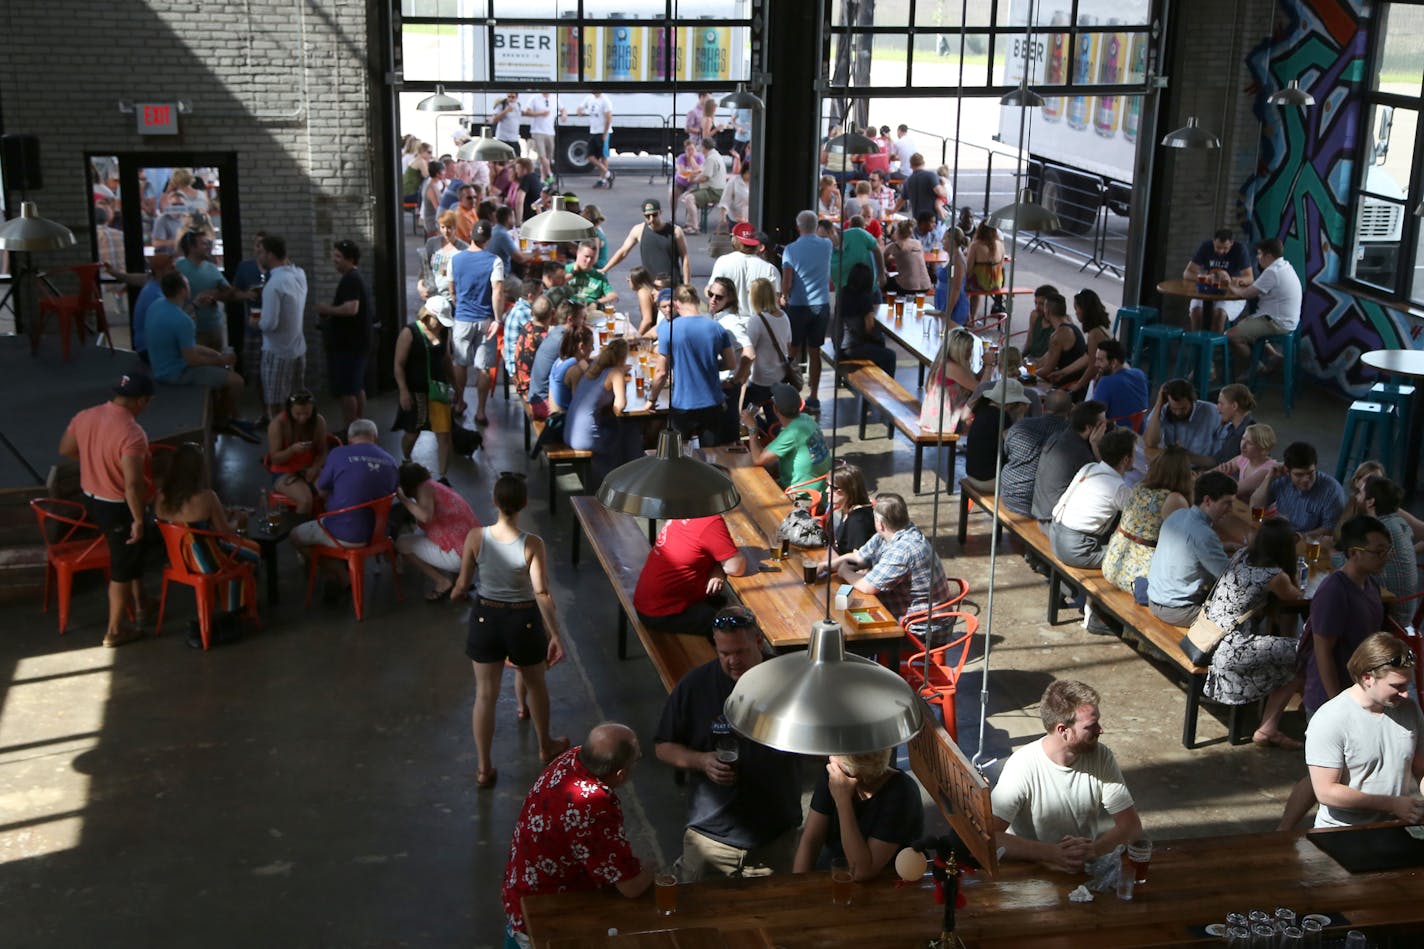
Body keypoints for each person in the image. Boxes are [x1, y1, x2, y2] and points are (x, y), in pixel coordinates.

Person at [654, 607, 802, 881]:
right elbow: (663, 746)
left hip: (774, 837)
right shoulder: (695, 685)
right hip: (710, 838)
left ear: (759, 642)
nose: (732, 661)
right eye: (724, 653)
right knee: (698, 915)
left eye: (740, 652)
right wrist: (702, 761)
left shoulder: (790, 682)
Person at [501, 723, 652, 946]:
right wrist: (653, 870)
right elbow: (630, 886)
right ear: (620, 774)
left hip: (521, 893)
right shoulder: (594, 806)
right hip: (547, 914)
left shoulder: (572, 758)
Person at [991, 680, 1142, 873]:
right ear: (1063, 730)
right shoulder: (1022, 766)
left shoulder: (1101, 756)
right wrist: (1052, 853)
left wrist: (1094, 850)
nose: (1100, 730)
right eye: (1091, 726)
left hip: (1080, 869)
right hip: (1033, 869)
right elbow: (990, 837)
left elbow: (1131, 826)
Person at [58, 373, 154, 648]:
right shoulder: (132, 433)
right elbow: (133, 486)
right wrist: (137, 520)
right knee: (122, 565)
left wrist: (93, 459)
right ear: (142, 400)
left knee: (130, 553)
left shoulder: (85, 415)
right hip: (118, 507)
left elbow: (65, 449)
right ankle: (114, 630)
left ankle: (141, 602)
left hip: (91, 497)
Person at [1201, 516, 1307, 749]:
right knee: (1305, 652)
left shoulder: (1242, 555)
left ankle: (1273, 722)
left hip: (1209, 639)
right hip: (1233, 650)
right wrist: (1295, 565)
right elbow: (1296, 595)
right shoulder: (1274, 575)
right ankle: (1270, 728)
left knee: (1287, 652)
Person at [1306, 633, 1424, 828]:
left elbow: (1421, 769)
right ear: (1367, 677)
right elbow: (1325, 791)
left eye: (1407, 685)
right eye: (1397, 686)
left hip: (1397, 825)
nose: (1405, 693)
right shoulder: (1330, 719)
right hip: (1345, 832)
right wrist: (1391, 804)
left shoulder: (1409, 709)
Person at [154, 441, 262, 641]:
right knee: (252, 552)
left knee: (236, 558)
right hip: (206, 561)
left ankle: (235, 607)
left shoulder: (161, 496)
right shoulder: (206, 497)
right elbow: (226, 533)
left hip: (178, 560)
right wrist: (238, 518)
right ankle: (236, 608)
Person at [145, 271, 255, 441]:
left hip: (159, 366)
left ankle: (231, 415)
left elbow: (184, 346)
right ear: (182, 290)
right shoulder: (182, 321)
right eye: (187, 284)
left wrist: (214, 355)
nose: (190, 287)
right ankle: (221, 419)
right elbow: (191, 359)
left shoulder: (156, 305)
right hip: (175, 374)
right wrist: (221, 359)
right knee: (237, 382)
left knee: (219, 365)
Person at [291, 419, 398, 594]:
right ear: (375, 437)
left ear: (349, 439)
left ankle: (342, 576)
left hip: (345, 534)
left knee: (295, 535)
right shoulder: (391, 461)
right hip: (378, 534)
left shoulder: (338, 454)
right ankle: (342, 570)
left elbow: (322, 490)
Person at [1302, 515, 1392, 717]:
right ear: (1353, 553)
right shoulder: (1334, 592)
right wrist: (1338, 705)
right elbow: (1322, 651)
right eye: (1378, 551)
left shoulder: (1371, 585)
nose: (1385, 557)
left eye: (1387, 550)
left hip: (1360, 693)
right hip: (1330, 700)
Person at [793, 749, 925, 880]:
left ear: (855, 772)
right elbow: (811, 841)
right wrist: (797, 887)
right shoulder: (834, 774)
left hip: (887, 884)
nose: (829, 757)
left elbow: (862, 871)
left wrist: (843, 801)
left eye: (835, 754)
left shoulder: (901, 793)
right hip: (834, 871)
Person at [827, 493, 951, 621]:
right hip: (905, 608)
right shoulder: (897, 531)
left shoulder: (902, 550)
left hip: (921, 625)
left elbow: (867, 586)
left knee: (842, 617)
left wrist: (844, 571)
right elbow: (858, 556)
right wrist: (825, 566)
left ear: (880, 524)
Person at [647, 285, 738, 444]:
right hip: (713, 402)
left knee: (678, 456)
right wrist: (706, 364)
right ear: (696, 301)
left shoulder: (669, 330)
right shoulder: (716, 328)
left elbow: (661, 372)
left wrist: (652, 399)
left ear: (676, 304)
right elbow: (731, 363)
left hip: (683, 404)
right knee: (711, 456)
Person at [1145, 471, 1238, 626]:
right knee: (1239, 614)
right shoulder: (1204, 535)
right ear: (1207, 501)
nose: (1230, 509)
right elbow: (1230, 578)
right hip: (1178, 610)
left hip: (1155, 598)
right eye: (1227, 503)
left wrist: (1226, 547)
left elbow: (1192, 550)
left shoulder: (1178, 514)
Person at [1101, 445, 1193, 596]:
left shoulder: (1139, 487)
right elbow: (1186, 544)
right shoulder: (1174, 499)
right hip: (1139, 578)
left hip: (1113, 563)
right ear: (1183, 473)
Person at [1047, 428, 1138, 569]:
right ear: (1126, 459)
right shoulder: (1118, 488)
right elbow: (1142, 516)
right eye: (1134, 453)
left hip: (1055, 534)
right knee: (1134, 557)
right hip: (1077, 549)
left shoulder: (1090, 467)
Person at [394, 461, 478, 600]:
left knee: (402, 543)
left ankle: (442, 582)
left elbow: (425, 516)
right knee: (422, 534)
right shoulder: (436, 486)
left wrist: (402, 498)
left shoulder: (423, 489)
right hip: (474, 550)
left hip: (460, 556)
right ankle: (460, 579)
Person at [449, 221, 506, 425]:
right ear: (488, 239)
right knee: (483, 368)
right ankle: (481, 412)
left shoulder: (455, 260)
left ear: (470, 236)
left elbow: (452, 290)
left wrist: (460, 306)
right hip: (485, 321)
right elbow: (497, 290)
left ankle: (459, 402)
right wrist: (497, 319)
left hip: (462, 319)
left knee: (460, 363)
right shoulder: (495, 261)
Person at [393, 298, 456, 477]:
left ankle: (443, 476)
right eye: (439, 321)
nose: (442, 326)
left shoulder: (444, 332)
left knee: (444, 435)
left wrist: (456, 387)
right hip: (415, 390)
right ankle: (406, 458)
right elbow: (398, 364)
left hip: (439, 390)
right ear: (429, 316)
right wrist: (403, 391)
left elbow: (446, 360)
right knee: (412, 433)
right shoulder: (410, 332)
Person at [565, 337, 641, 485]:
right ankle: (625, 478)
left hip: (570, 432)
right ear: (623, 358)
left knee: (615, 427)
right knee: (629, 429)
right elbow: (619, 407)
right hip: (586, 438)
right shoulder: (616, 373)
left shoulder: (593, 368)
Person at [315, 239, 373, 430]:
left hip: (350, 346)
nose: (334, 260)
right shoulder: (353, 278)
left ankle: (351, 428)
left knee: (347, 390)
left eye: (338, 256)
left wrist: (327, 309)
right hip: (357, 343)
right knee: (357, 387)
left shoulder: (351, 279)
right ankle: (358, 426)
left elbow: (351, 308)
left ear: (350, 259)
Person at [781, 210, 834, 412]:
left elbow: (787, 281)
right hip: (821, 305)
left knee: (792, 350)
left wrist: (784, 295)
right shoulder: (827, 245)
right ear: (815, 226)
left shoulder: (791, 250)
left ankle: (791, 394)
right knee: (815, 352)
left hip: (798, 306)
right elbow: (833, 237)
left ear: (798, 227)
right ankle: (814, 396)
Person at [1227, 238, 1303, 375]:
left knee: (1231, 335)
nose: (1257, 257)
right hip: (1288, 321)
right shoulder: (1284, 266)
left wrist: (1230, 286)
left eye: (1259, 254)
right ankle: (1273, 355)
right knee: (1246, 322)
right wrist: (1248, 286)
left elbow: (1246, 295)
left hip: (1276, 322)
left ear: (1268, 256)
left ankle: (1257, 368)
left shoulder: (1272, 272)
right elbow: (1259, 286)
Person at [255, 235, 309, 422]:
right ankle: (297, 440)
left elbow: (270, 323)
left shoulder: (274, 284)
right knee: (296, 404)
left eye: (260, 251)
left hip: (277, 352)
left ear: (270, 255)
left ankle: (281, 445)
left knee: (276, 407)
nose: (258, 255)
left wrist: (256, 322)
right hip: (297, 349)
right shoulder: (299, 275)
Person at [740, 383, 831, 493]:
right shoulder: (807, 419)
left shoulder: (792, 433)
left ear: (775, 409)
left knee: (748, 489)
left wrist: (752, 427)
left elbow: (758, 459)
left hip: (802, 494)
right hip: (820, 488)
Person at [1248, 441, 1346, 541]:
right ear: (1287, 471)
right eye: (1299, 475)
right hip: (1282, 535)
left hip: (1311, 543)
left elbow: (1330, 529)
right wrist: (1269, 478)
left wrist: (1299, 537)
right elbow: (1255, 508)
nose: (1306, 479)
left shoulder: (1332, 491)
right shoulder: (1281, 479)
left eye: (1311, 473)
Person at [1031, 400, 1108, 525]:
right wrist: (1095, 445)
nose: (1105, 429)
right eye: (1102, 425)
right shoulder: (1081, 453)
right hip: (1054, 522)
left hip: (1041, 511)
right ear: (1089, 428)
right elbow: (1105, 482)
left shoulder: (1058, 437)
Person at [1356, 476, 1419, 624]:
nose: (1356, 496)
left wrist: (1328, 550)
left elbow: (1352, 564)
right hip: (1403, 611)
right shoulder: (1398, 523)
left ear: (1370, 502)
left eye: (1359, 493)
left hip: (1390, 617)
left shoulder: (1380, 530)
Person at [1000, 389, 1073, 516]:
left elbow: (1007, 451)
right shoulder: (1070, 435)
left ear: (1044, 407)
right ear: (1070, 411)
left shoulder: (1021, 426)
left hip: (1009, 494)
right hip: (1039, 504)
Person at [264, 390, 330, 514]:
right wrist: (292, 450)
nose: (302, 418)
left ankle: (326, 526)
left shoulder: (318, 421)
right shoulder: (277, 424)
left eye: (306, 413)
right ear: (290, 410)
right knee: (305, 500)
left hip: (310, 468)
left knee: (329, 492)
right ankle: (299, 531)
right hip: (284, 471)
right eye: (298, 414)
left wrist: (315, 467)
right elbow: (275, 459)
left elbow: (323, 451)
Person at [962, 378, 1031, 493]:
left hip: (972, 474)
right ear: (1010, 404)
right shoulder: (1002, 417)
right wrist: (1020, 416)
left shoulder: (982, 408)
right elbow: (1017, 449)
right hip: (989, 480)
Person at [603, 198, 691, 287]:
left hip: (672, 285)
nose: (651, 219)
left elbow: (685, 258)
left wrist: (687, 285)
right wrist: (605, 269)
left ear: (660, 212)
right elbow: (623, 252)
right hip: (650, 285)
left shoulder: (676, 231)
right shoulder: (638, 230)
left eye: (654, 215)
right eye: (647, 216)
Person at [174, 230, 238, 350]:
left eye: (208, 243)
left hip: (214, 328)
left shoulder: (212, 268)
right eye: (204, 243)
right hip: (191, 330)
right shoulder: (178, 269)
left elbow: (229, 292)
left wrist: (217, 295)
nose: (208, 247)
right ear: (192, 247)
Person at [1184, 228, 1253, 333]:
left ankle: (1212, 346)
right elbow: (1187, 274)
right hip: (1208, 290)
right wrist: (1205, 278)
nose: (1221, 251)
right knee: (1196, 311)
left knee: (1219, 314)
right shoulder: (1206, 247)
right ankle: (1196, 344)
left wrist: (1232, 280)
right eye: (1218, 247)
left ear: (1231, 243)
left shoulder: (1240, 249)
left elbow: (1250, 278)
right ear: (1213, 242)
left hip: (1231, 294)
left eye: (1225, 248)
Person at [834, 262, 897, 378]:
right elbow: (869, 326)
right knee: (890, 355)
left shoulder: (842, 292)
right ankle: (886, 387)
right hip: (853, 348)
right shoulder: (864, 298)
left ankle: (874, 381)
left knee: (878, 348)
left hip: (839, 345)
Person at [743, 277, 793, 419]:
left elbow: (749, 351)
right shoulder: (784, 316)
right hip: (780, 377)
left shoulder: (756, 320)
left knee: (744, 412)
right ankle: (771, 435)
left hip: (760, 379)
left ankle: (758, 430)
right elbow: (788, 345)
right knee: (774, 418)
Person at [1046, 289, 1111, 397]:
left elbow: (1093, 367)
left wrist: (1077, 386)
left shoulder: (1094, 334)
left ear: (1085, 309)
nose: (1076, 313)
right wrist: (1063, 372)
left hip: (1105, 381)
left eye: (1076, 308)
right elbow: (1087, 357)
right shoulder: (1101, 328)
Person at [1144, 379, 1221, 468]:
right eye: (1174, 408)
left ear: (1193, 401)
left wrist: (1184, 456)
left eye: (1183, 408)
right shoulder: (1164, 408)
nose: (1178, 413)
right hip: (1173, 468)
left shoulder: (1213, 412)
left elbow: (1218, 459)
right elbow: (1150, 442)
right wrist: (1159, 404)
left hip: (1201, 468)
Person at [710, 223, 780, 318]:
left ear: (734, 240)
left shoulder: (723, 262)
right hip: (759, 325)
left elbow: (711, 291)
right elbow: (775, 301)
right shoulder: (770, 269)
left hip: (728, 323)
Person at [1029, 293, 1086, 386]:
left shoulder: (1058, 336)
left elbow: (1047, 370)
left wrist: (1025, 376)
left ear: (1047, 311)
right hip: (1076, 379)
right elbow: (1043, 360)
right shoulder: (1071, 327)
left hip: (1068, 383)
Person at [1087, 339, 1148, 424]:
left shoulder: (1105, 382)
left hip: (1116, 434)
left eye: (1100, 360)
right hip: (1140, 433)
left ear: (1114, 362)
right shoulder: (1139, 374)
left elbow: (1092, 417)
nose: (1096, 364)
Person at [1213, 422, 1277, 500]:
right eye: (1243, 439)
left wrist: (1221, 476)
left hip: (1261, 511)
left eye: (1249, 443)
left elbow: (1235, 490)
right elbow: (1212, 473)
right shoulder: (1244, 459)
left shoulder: (1267, 470)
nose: (1243, 446)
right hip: (1244, 506)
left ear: (1263, 449)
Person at [548, 325, 593, 415]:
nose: (593, 349)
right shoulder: (575, 371)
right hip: (565, 421)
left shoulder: (559, 361)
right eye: (591, 345)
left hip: (555, 413)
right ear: (581, 346)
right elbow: (580, 406)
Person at [965, 223, 1005, 319]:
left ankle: (968, 317)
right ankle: (973, 318)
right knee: (974, 288)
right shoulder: (1000, 244)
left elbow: (968, 268)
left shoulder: (975, 245)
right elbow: (1002, 265)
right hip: (996, 283)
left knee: (961, 285)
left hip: (979, 284)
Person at [1211, 384, 1256, 467]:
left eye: (1221, 404)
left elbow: (1228, 468)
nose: (1218, 408)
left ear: (1234, 406)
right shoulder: (1232, 428)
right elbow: (1216, 460)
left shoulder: (1249, 435)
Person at [577, 91, 615, 188]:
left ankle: (602, 179)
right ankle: (608, 173)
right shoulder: (589, 98)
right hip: (593, 131)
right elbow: (580, 108)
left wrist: (605, 133)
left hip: (602, 131)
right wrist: (580, 112)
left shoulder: (605, 100)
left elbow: (609, 118)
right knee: (590, 156)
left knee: (603, 156)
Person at [884, 219, 931, 296]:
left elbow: (881, 257)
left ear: (898, 232)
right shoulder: (917, 243)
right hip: (926, 285)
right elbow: (909, 257)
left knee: (883, 283)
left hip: (908, 287)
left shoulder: (895, 246)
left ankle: (887, 303)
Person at [564, 240, 617, 307]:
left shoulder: (598, 276)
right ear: (578, 253)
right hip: (569, 308)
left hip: (591, 310)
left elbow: (613, 296)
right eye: (586, 256)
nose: (589, 260)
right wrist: (573, 273)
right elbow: (552, 287)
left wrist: (596, 303)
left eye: (592, 258)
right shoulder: (565, 270)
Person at [896, 152, 946, 222]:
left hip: (918, 220)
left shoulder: (908, 180)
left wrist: (892, 211)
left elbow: (901, 201)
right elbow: (940, 191)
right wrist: (944, 187)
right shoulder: (931, 176)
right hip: (933, 219)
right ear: (923, 163)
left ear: (911, 165)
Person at [1022, 283, 1061, 359]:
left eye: (1041, 304)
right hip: (1032, 360)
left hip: (1047, 364)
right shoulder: (1035, 315)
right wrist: (1020, 356)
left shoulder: (1059, 323)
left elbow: (1052, 357)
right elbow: (1029, 342)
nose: (1037, 307)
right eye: (1036, 303)